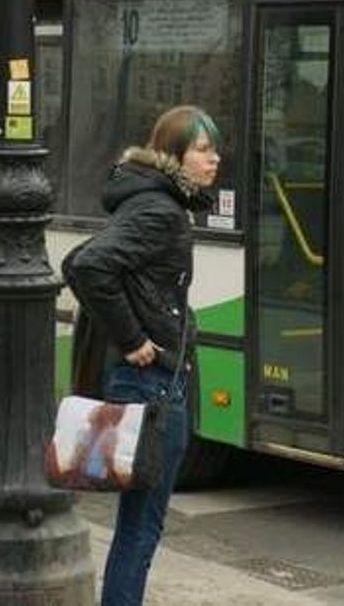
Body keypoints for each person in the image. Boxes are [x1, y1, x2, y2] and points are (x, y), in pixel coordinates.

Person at [63, 105, 221, 606]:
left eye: (214, 148)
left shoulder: (152, 200)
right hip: (152, 384)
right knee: (142, 526)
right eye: (202, 149)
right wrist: (134, 339)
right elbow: (88, 266)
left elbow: (86, 263)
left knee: (138, 522)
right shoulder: (160, 210)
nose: (214, 159)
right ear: (174, 155)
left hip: (153, 380)